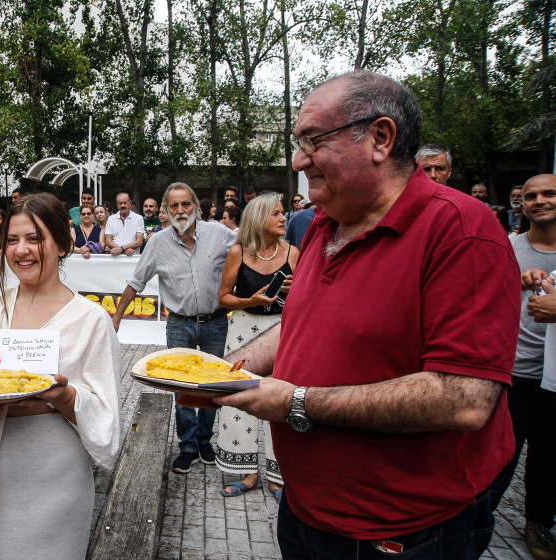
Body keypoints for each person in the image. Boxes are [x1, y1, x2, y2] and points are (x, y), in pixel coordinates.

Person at [211, 71, 519, 560]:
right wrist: (222, 375)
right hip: (307, 507)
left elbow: (464, 398)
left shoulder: (461, 231)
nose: (297, 160)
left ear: (380, 137)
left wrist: (296, 402)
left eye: (312, 141)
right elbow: (301, 326)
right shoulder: (324, 223)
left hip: (402, 530)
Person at [0, 192, 120, 560]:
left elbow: (108, 419)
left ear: (62, 245)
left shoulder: (90, 320)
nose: (22, 250)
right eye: (13, 240)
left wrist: (65, 397)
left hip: (48, 478)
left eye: (35, 238)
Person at [111, 183, 235, 473]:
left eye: (186, 204)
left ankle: (205, 441)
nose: (180, 211)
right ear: (165, 211)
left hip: (216, 322)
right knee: (180, 387)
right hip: (180, 325)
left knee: (212, 384)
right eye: (174, 206)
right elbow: (136, 281)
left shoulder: (219, 234)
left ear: (196, 207)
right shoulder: (158, 242)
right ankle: (188, 446)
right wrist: (116, 318)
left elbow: (249, 248)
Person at [488, 174, 556, 560]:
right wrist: (515, 279)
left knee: (549, 455)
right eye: (531, 196)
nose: (539, 201)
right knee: (500, 453)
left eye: (548, 194)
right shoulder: (508, 246)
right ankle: (479, 518)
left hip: (555, 379)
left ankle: (539, 524)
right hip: (513, 370)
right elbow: (483, 292)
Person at [215, 193, 299, 502]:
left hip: (281, 332)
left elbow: (306, 300)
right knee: (240, 395)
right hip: (243, 331)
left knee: (280, 397)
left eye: (282, 212)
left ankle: (278, 477)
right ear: (258, 219)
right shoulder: (238, 252)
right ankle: (248, 473)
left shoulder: (293, 252)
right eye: (275, 213)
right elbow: (223, 297)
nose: (283, 217)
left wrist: (296, 290)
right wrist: (251, 300)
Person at [104, 192, 145, 256]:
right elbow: (108, 241)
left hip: (133, 258)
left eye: (125, 203)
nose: (122, 205)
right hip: (115, 258)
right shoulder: (111, 219)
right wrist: (123, 251)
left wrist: (122, 249)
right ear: (117, 204)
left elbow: (139, 242)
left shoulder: (138, 218)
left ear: (130, 203)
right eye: (120, 203)